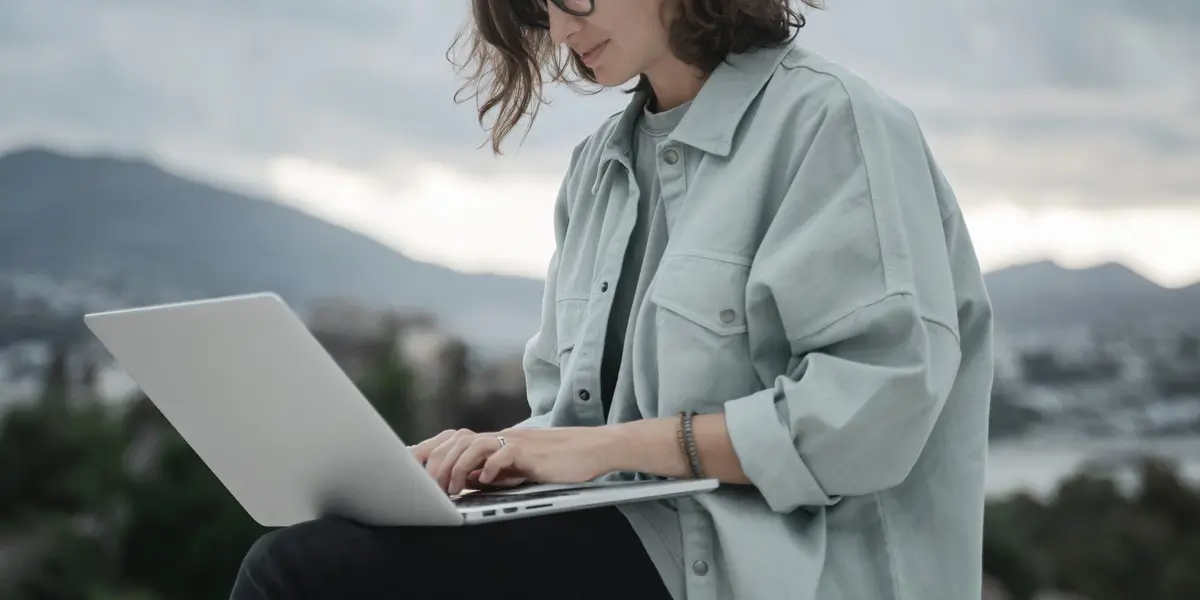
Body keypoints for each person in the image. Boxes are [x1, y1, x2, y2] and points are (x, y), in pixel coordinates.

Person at [230, 1, 995, 599]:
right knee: (321, 550)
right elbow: (568, 423)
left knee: (303, 576)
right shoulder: (597, 171)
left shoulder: (836, 124)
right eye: (542, 7)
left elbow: (873, 415)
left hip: (780, 576)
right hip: (626, 541)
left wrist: (601, 450)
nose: (562, 29)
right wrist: (493, 455)